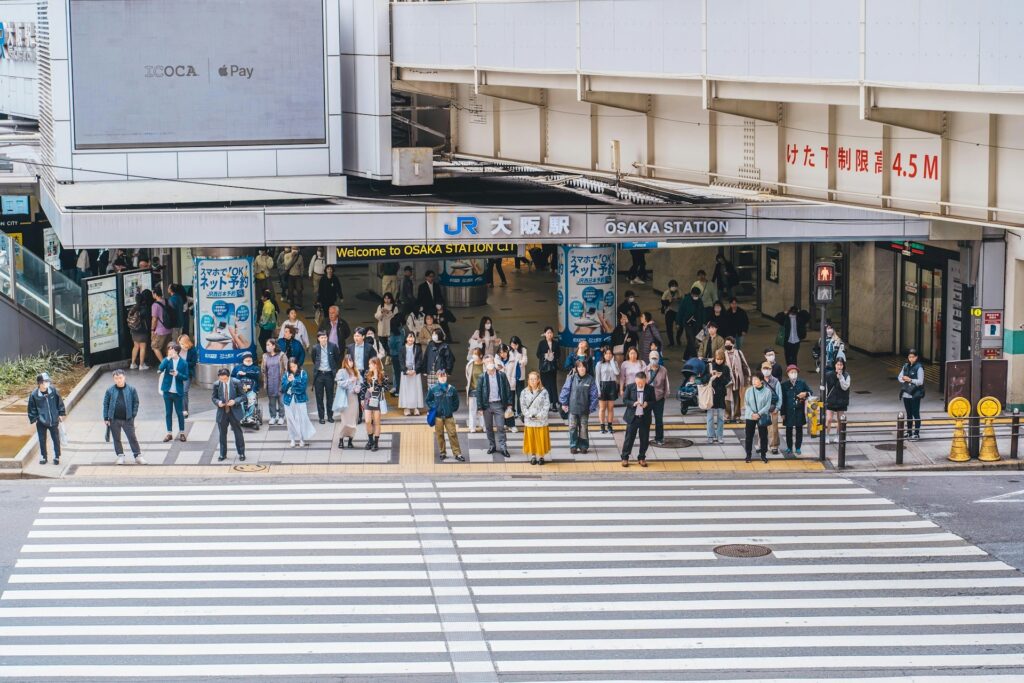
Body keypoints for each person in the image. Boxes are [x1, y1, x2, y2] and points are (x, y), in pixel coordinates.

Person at [103, 369, 145, 465]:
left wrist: (133, 414)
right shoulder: (109, 390)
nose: (118, 380)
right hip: (114, 419)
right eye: (116, 378)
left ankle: (138, 456)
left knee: (132, 438)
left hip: (128, 419)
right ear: (114, 379)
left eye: (120, 378)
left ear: (124, 377)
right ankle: (120, 455)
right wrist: (106, 418)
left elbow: (136, 402)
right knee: (116, 439)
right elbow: (106, 404)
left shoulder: (131, 389)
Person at [559, 360, 599, 455]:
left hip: (585, 409)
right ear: (576, 368)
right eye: (579, 366)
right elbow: (565, 390)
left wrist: (591, 407)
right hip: (573, 408)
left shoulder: (590, 379)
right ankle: (573, 446)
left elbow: (594, 395)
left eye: (583, 366)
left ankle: (583, 446)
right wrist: (564, 403)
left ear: (586, 368)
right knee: (572, 427)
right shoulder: (572, 378)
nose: (582, 368)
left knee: (583, 428)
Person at [476, 358, 513, 458]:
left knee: (500, 426)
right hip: (486, 405)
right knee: (488, 427)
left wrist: (509, 404)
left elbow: (507, 389)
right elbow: (478, 392)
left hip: (498, 404)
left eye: (491, 361)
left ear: (494, 362)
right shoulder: (482, 377)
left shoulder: (501, 375)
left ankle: (503, 447)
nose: (489, 363)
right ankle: (492, 445)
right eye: (487, 362)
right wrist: (479, 407)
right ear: (484, 364)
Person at [27, 372, 65, 465]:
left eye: (48, 381)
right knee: (42, 439)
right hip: (41, 422)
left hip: (53, 420)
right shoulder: (34, 395)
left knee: (56, 439)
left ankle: (57, 456)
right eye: (45, 381)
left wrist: (60, 413)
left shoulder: (53, 390)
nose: (47, 383)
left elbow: (59, 402)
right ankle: (44, 456)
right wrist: (35, 418)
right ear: (40, 383)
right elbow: (31, 408)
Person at [426, 368, 463, 462]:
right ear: (437, 377)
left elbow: (456, 401)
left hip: (449, 416)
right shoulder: (433, 388)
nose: (442, 378)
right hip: (438, 417)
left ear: (447, 377)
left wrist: (451, 409)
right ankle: (442, 452)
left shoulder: (452, 389)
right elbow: (428, 400)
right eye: (440, 376)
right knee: (439, 435)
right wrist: (434, 407)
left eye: (444, 376)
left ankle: (457, 453)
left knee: (453, 434)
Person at [620, 370, 654, 468]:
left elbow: (654, 402)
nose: (640, 384)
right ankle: (625, 457)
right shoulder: (630, 387)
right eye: (638, 382)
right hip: (633, 417)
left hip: (644, 417)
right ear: (635, 380)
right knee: (629, 438)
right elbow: (625, 400)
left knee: (644, 439)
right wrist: (633, 403)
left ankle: (642, 457)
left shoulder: (650, 389)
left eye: (642, 383)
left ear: (645, 380)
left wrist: (647, 404)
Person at [212, 368, 246, 461]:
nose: (222, 380)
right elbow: (214, 397)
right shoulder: (216, 384)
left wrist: (235, 401)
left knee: (238, 433)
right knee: (222, 434)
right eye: (221, 379)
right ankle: (222, 454)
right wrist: (218, 402)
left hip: (234, 411)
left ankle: (241, 453)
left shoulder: (236, 382)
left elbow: (243, 396)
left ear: (228, 377)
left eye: (224, 379)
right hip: (222, 412)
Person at [282, 358, 316, 448]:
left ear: (298, 365)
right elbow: (283, 388)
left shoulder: (302, 373)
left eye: (294, 366)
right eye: (291, 367)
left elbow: (302, 388)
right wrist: (288, 382)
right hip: (288, 401)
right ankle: (292, 439)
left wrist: (294, 381)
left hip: (299, 400)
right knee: (290, 420)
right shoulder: (286, 374)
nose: (293, 368)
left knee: (301, 419)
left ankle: (302, 439)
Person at [158, 342, 188, 443]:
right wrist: (167, 358)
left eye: (172, 349)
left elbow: (186, 377)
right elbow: (160, 368)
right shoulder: (167, 360)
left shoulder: (183, 363)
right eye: (169, 349)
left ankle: (182, 433)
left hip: (177, 392)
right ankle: (169, 433)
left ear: (177, 351)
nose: (170, 351)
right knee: (168, 413)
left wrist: (177, 374)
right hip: (167, 391)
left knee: (180, 413)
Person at [310, 329, 342, 424]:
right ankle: (321, 417)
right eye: (322, 338)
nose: (324, 339)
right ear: (318, 339)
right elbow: (314, 359)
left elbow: (337, 359)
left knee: (330, 396)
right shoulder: (315, 348)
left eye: (325, 337)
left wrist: (334, 369)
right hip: (319, 374)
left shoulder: (333, 346)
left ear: (327, 338)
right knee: (319, 397)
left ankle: (330, 416)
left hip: (329, 374)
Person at [359, 358, 390, 451]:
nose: (369, 366)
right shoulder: (367, 373)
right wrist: (362, 399)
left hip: (377, 398)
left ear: (376, 365)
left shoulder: (383, 374)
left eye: (370, 364)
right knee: (367, 421)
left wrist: (376, 388)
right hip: (368, 397)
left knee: (376, 422)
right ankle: (370, 441)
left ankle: (375, 443)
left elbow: (386, 387)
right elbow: (363, 386)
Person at [520, 371, 551, 465]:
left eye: (534, 379)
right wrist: (529, 415)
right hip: (529, 420)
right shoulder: (524, 392)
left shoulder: (544, 392)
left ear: (538, 380)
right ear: (528, 381)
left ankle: (541, 456)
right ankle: (533, 456)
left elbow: (546, 405)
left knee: (541, 439)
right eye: (531, 379)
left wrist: (539, 415)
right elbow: (523, 406)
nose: (533, 381)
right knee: (532, 439)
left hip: (541, 420)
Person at [781, 364, 812, 455]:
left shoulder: (802, 383)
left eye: (795, 372)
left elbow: (810, 392)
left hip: (799, 411)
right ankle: (789, 447)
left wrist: (805, 394)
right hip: (788, 411)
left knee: (799, 430)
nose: (793, 374)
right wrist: (782, 413)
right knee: (788, 430)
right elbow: (783, 399)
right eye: (791, 372)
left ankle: (798, 447)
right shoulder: (784, 385)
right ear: (788, 374)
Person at [743, 373, 774, 463]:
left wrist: (759, 414)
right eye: (753, 379)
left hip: (762, 416)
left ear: (761, 381)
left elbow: (767, 405)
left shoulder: (767, 392)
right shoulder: (749, 391)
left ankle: (763, 455)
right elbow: (746, 404)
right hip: (750, 416)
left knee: (763, 436)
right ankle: (748, 455)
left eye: (756, 379)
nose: (753, 381)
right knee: (749, 436)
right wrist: (752, 413)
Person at [334, 355, 362, 449]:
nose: (351, 363)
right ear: (345, 362)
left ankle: (350, 440)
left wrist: (357, 388)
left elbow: (360, 383)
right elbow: (339, 383)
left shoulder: (356, 371)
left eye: (352, 361)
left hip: (354, 398)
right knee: (345, 421)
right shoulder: (341, 371)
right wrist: (350, 380)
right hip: (345, 398)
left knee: (353, 420)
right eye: (349, 361)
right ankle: (341, 439)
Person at [705, 349, 731, 444]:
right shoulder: (709, 366)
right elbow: (703, 379)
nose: (719, 361)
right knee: (710, 417)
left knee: (720, 417)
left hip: (721, 395)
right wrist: (711, 375)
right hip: (711, 395)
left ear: (723, 359)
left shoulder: (726, 368)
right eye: (717, 359)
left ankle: (720, 435)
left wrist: (721, 376)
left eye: (721, 359)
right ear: (714, 358)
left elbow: (727, 381)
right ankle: (710, 436)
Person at [723, 336, 752, 422]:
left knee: (737, 397)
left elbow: (744, 364)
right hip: (727, 379)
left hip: (737, 378)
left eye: (729, 344)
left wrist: (748, 376)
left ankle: (737, 416)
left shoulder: (738, 352)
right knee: (727, 398)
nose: (727, 345)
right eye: (726, 344)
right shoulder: (723, 354)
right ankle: (727, 416)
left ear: (733, 344)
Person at [898, 349, 925, 441]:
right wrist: (904, 379)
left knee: (915, 413)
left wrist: (910, 380)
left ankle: (916, 434)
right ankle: (909, 432)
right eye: (909, 357)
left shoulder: (919, 367)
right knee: (909, 414)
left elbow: (920, 381)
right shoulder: (905, 366)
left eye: (913, 357)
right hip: (906, 393)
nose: (911, 359)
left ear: (916, 357)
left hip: (915, 394)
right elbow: (900, 377)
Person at [825, 357, 851, 444]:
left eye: (841, 365)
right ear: (835, 365)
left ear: (843, 366)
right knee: (829, 419)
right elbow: (825, 387)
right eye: (838, 364)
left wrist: (840, 377)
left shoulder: (846, 375)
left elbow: (845, 387)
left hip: (841, 400)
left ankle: (837, 435)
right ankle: (827, 435)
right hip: (831, 400)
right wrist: (825, 398)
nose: (839, 366)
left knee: (840, 419)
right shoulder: (828, 375)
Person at [398, 331, 425, 416]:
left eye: (412, 337)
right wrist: (406, 370)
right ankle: (406, 408)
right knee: (405, 390)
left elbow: (420, 360)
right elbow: (401, 361)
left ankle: (416, 408)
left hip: (415, 372)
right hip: (405, 372)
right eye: (409, 337)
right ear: (406, 338)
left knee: (416, 390)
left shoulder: (418, 348)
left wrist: (415, 370)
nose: (411, 339)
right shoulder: (402, 348)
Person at [647, 350, 670, 446]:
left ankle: (659, 438)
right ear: (649, 358)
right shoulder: (645, 369)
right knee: (646, 420)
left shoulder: (663, 370)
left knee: (659, 419)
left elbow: (666, 383)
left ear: (658, 359)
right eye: (652, 358)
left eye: (655, 358)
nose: (654, 360)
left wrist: (665, 395)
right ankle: (645, 437)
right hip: (647, 399)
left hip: (659, 398)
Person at [262, 338, 287, 426]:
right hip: (270, 382)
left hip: (280, 381)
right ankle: (272, 417)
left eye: (268, 345)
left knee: (281, 401)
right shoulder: (265, 356)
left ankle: (281, 417)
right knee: (271, 402)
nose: (267, 346)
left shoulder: (281, 355)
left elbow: (286, 368)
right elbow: (263, 369)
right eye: (266, 345)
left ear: (274, 346)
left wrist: (285, 380)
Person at [595, 346, 619, 434]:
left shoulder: (615, 363)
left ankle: (610, 426)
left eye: (610, 353)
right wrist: (598, 390)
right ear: (604, 354)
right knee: (602, 408)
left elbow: (617, 373)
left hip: (612, 385)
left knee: (610, 408)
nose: (608, 355)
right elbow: (597, 378)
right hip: (602, 385)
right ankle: (602, 427)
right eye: (607, 353)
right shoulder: (599, 364)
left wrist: (612, 362)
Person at [760, 360, 783, 455]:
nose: (766, 370)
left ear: (771, 370)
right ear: (761, 370)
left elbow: (779, 396)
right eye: (764, 368)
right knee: (761, 427)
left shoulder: (776, 381)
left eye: (768, 369)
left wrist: (777, 408)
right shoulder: (759, 381)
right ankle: (762, 445)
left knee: (773, 428)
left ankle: (774, 446)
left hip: (773, 408)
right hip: (762, 409)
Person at [677, 287, 706, 359]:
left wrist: (703, 322)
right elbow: (680, 311)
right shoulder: (686, 300)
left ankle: (685, 356)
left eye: (697, 295)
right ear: (691, 294)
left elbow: (702, 312)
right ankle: (695, 357)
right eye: (695, 295)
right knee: (691, 340)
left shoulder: (699, 301)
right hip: (688, 323)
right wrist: (678, 322)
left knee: (691, 340)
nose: (696, 296)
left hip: (697, 323)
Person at [536, 327, 560, 411]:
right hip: (544, 367)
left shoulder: (556, 343)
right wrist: (545, 355)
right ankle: (546, 404)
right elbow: (538, 354)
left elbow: (559, 354)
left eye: (551, 332)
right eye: (548, 332)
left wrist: (553, 355)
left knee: (553, 384)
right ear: (545, 334)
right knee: (545, 385)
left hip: (553, 366)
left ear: (552, 334)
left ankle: (554, 404)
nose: (549, 334)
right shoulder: (541, 343)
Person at [127, 290, 152, 370]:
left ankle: (133, 364)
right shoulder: (145, 308)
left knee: (135, 346)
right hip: (142, 330)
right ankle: (141, 365)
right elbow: (148, 320)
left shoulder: (133, 308)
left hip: (134, 330)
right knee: (142, 347)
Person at [464, 347, 485, 432]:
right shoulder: (470, 364)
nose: (474, 356)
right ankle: (472, 426)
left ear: (481, 355)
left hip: (483, 390)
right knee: (472, 409)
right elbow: (467, 376)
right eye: (473, 354)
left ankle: (483, 426)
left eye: (476, 354)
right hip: (472, 389)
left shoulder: (485, 364)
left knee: (483, 409)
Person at [150, 287, 174, 363]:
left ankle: (164, 363)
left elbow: (154, 319)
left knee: (155, 347)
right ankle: (170, 363)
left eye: (153, 293)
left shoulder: (155, 305)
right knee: (167, 348)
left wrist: (152, 330)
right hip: (169, 328)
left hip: (160, 330)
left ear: (155, 294)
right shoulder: (167, 301)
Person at [178, 334, 198, 417]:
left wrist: (183, 363)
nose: (181, 345)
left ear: (187, 342)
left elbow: (193, 363)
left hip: (187, 373)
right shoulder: (178, 349)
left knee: (184, 391)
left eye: (182, 343)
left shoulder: (192, 350)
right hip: (178, 373)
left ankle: (185, 410)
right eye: (180, 343)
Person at [660, 279, 682, 347]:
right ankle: (671, 342)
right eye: (672, 286)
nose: (674, 287)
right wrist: (669, 301)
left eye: (675, 286)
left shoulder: (679, 292)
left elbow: (682, 300)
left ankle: (678, 338)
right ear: (669, 287)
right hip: (669, 311)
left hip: (678, 311)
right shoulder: (666, 292)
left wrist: (679, 299)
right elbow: (663, 302)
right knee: (669, 327)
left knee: (680, 326)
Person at [388, 316, 405, 394]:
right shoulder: (402, 332)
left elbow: (390, 346)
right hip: (402, 355)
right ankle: (401, 389)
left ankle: (398, 390)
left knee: (397, 374)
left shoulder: (392, 335)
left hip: (395, 356)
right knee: (402, 373)